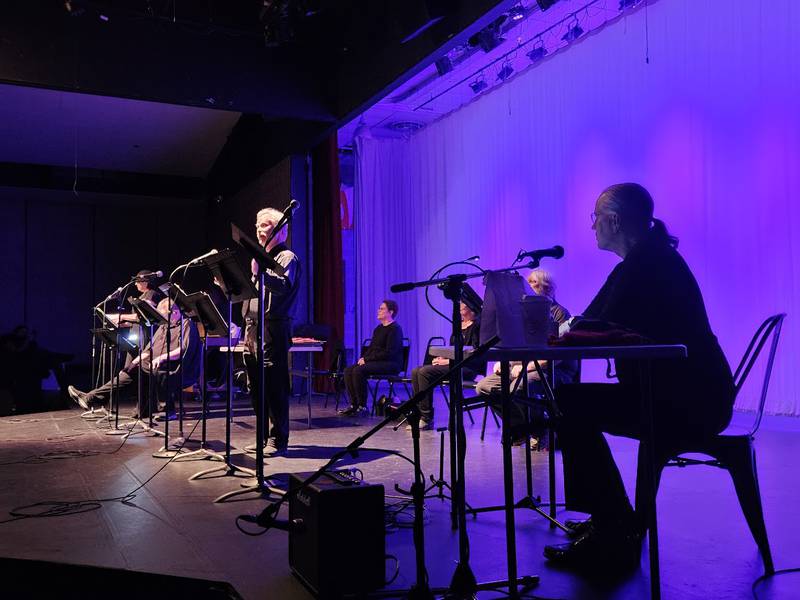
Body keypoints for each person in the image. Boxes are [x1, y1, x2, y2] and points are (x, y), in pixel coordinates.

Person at [543, 183, 735, 573]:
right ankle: (610, 519)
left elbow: (590, 326)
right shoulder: (648, 258)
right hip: (683, 393)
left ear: (613, 220)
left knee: (570, 401)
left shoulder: (647, 265)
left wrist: (548, 327)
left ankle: (613, 527)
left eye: (595, 218)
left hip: (689, 403)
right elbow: (592, 323)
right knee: (573, 400)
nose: (592, 227)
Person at [475, 268, 576, 441]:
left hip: (553, 369)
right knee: (483, 387)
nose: (527, 286)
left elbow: (554, 356)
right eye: (527, 282)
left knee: (521, 387)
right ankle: (523, 427)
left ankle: (537, 431)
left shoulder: (559, 314)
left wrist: (523, 368)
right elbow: (515, 345)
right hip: (521, 368)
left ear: (547, 287)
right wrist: (504, 362)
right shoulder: (522, 313)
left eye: (533, 282)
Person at [68, 298, 200, 418]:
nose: (161, 318)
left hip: (175, 366)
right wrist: (133, 363)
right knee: (127, 372)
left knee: (157, 370)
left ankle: (167, 411)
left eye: (163, 314)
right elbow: (149, 349)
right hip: (153, 363)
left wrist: (162, 358)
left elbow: (183, 348)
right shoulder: (164, 326)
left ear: (174, 312)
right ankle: (90, 398)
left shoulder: (186, 324)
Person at [241, 207, 301, 456]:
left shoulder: (286, 257)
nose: (259, 230)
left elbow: (283, 286)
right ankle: (262, 436)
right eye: (257, 225)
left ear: (281, 229)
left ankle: (278, 440)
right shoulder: (260, 259)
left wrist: (259, 273)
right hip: (253, 330)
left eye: (265, 225)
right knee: (257, 388)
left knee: (274, 387)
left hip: (273, 329)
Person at [409, 302, 481, 430]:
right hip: (454, 364)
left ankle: (426, 417)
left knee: (425, 372)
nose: (459, 306)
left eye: (463, 304)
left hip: (467, 367)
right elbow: (452, 349)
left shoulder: (476, 327)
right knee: (416, 371)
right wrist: (443, 357)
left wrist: (448, 362)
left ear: (470, 307)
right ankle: (418, 413)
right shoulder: (458, 327)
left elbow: (473, 352)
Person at [340, 300, 403, 416]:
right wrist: (363, 358)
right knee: (348, 370)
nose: (379, 310)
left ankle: (362, 406)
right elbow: (372, 348)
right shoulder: (378, 329)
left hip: (390, 364)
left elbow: (389, 352)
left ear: (391, 312)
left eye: (382, 308)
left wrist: (368, 360)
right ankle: (354, 405)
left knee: (359, 371)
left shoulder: (395, 329)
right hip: (377, 362)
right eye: (379, 308)